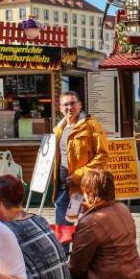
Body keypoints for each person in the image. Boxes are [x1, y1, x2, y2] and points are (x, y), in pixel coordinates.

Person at [69, 168, 140, 279]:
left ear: (89, 192)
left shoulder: (90, 222)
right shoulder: (122, 208)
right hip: (134, 276)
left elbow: (76, 267)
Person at [53, 91, 109, 226]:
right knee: (62, 232)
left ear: (80, 105)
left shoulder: (92, 126)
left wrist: (78, 175)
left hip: (81, 190)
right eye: (65, 104)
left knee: (83, 232)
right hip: (62, 189)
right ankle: (65, 248)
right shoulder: (59, 130)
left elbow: (103, 156)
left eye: (73, 103)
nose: (69, 107)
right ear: (60, 108)